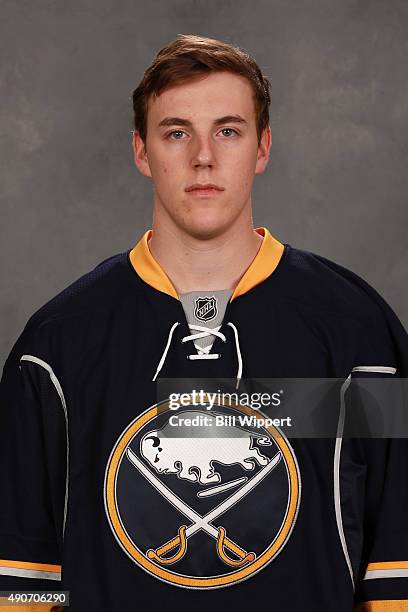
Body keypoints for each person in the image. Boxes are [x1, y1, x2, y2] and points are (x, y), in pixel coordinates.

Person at [0, 34, 407, 612]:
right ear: (142, 152)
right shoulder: (56, 349)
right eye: (176, 133)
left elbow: (397, 571)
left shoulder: (362, 336)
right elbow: (20, 580)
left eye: (228, 130)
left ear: (262, 148)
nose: (203, 158)